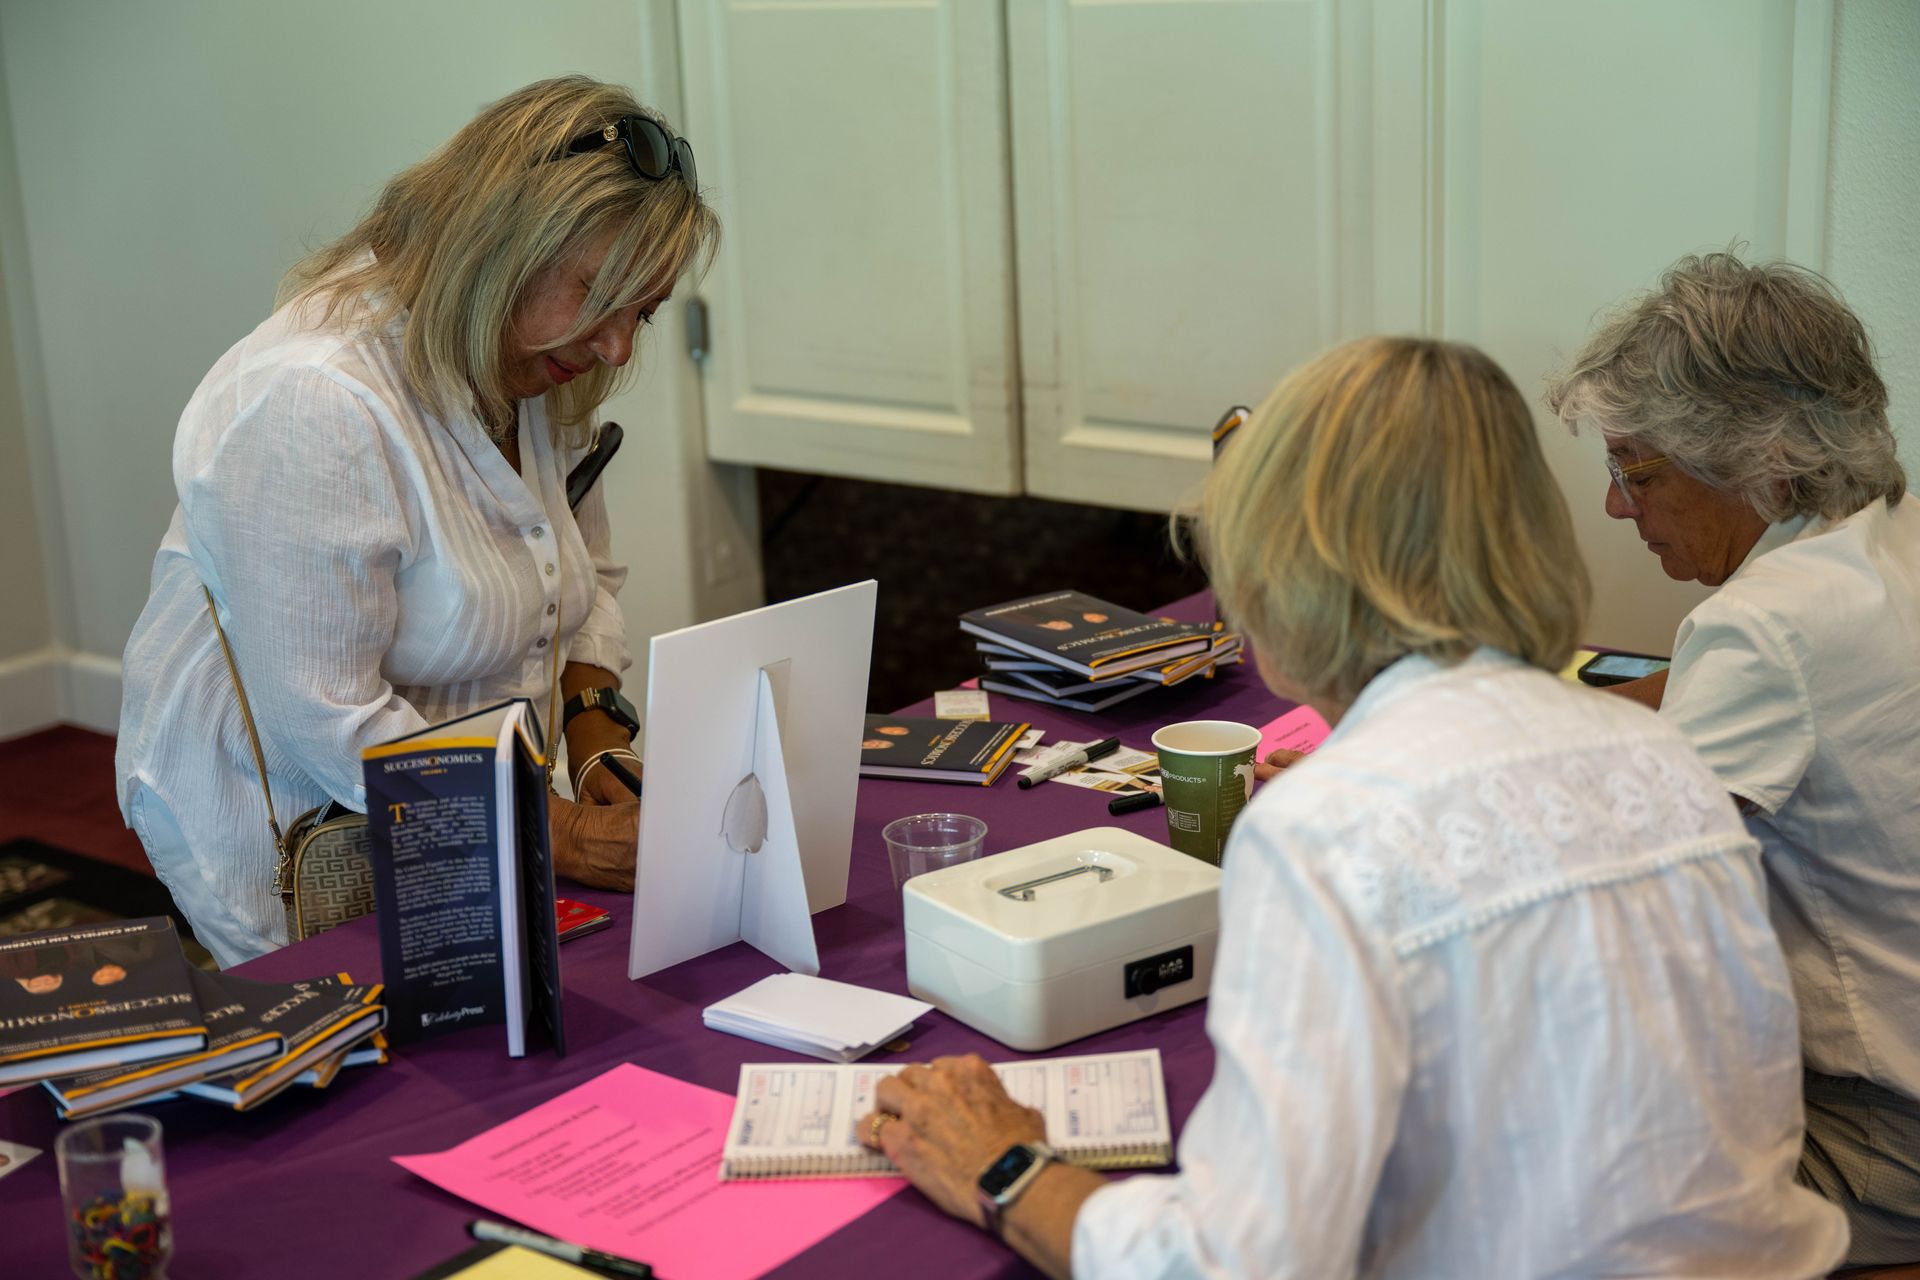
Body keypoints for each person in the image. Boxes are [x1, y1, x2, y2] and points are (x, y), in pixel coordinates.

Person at [859, 337, 1845, 1277]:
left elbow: (1237, 1260)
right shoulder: (1661, 756)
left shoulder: (1322, 831)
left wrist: (1007, 1167)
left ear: (1287, 571)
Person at [116, 78, 718, 967]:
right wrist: (559, 831)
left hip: (473, 812)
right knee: (379, 1087)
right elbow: (331, 722)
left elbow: (576, 576)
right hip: (297, 830)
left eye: (644, 312)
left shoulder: (531, 363)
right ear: (500, 246)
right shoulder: (314, 402)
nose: (619, 347)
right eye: (599, 297)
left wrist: (597, 734)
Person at [1548, 251, 1920, 1266]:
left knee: (1528, 1176)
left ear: (1762, 460)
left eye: (1640, 469)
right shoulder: (1882, 541)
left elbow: (1605, 881)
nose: (1620, 507)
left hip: (1884, 1142)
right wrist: (1550, 718)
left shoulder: (1765, 625)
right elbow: (1700, 703)